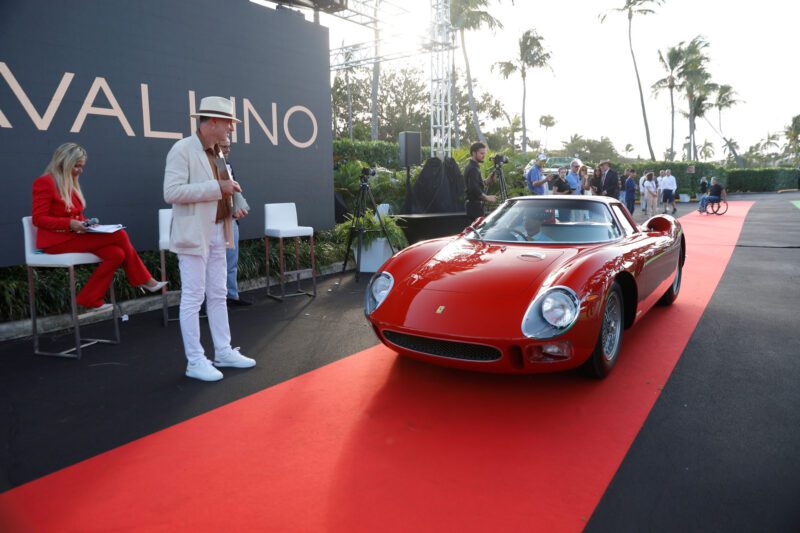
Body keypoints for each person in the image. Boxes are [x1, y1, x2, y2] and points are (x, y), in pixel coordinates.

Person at [163, 96, 256, 382]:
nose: (231, 128)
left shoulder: (217, 151)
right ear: (212, 121)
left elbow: (223, 190)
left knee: (217, 294)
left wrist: (233, 203)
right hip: (194, 234)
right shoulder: (182, 149)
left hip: (219, 230)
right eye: (228, 122)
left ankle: (223, 351)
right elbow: (172, 192)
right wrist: (218, 187)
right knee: (193, 297)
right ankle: (195, 361)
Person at [31, 143, 166, 311]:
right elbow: (38, 219)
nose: (80, 170)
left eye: (82, 166)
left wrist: (88, 224)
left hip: (73, 236)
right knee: (120, 235)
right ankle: (144, 279)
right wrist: (69, 223)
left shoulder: (71, 184)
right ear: (63, 162)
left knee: (116, 253)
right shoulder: (44, 183)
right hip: (56, 242)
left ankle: (90, 299)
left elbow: (75, 215)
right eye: (77, 166)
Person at [219, 138, 252, 307]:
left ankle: (232, 296)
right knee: (217, 264)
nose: (228, 150)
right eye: (224, 146)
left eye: (229, 147)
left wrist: (237, 208)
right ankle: (216, 301)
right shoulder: (209, 166)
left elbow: (234, 193)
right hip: (215, 222)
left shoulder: (229, 166)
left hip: (232, 220)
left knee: (232, 260)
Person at [464, 141, 497, 219]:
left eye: (484, 154)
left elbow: (476, 184)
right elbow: (473, 188)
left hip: (473, 206)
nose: (483, 156)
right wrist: (487, 197)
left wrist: (487, 181)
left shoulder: (473, 167)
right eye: (481, 153)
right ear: (474, 153)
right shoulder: (473, 168)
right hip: (474, 206)